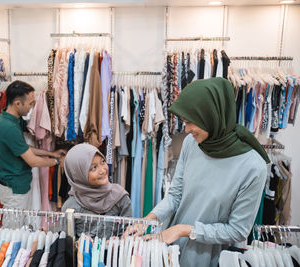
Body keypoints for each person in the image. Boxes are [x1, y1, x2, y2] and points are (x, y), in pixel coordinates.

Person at [127, 78, 269, 266]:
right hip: (172, 248)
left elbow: (238, 230)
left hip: (211, 257)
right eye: (184, 122)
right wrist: (148, 220)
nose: (186, 130)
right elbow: (175, 195)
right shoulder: (191, 144)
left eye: (191, 122)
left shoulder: (253, 167)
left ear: (211, 116)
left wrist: (185, 230)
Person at [0, 80, 66, 209]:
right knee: (13, 229)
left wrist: (51, 153)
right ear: (17, 103)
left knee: (19, 227)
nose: (32, 107)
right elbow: (33, 161)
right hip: (14, 190)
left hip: (18, 186)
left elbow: (24, 148)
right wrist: (57, 161)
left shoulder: (12, 118)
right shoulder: (8, 127)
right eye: (31, 103)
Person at [61, 143, 132, 238]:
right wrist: (80, 243)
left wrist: (120, 240)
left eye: (103, 162)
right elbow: (67, 244)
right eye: (93, 168)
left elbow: (129, 233)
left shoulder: (120, 197)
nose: (102, 170)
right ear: (79, 174)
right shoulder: (71, 207)